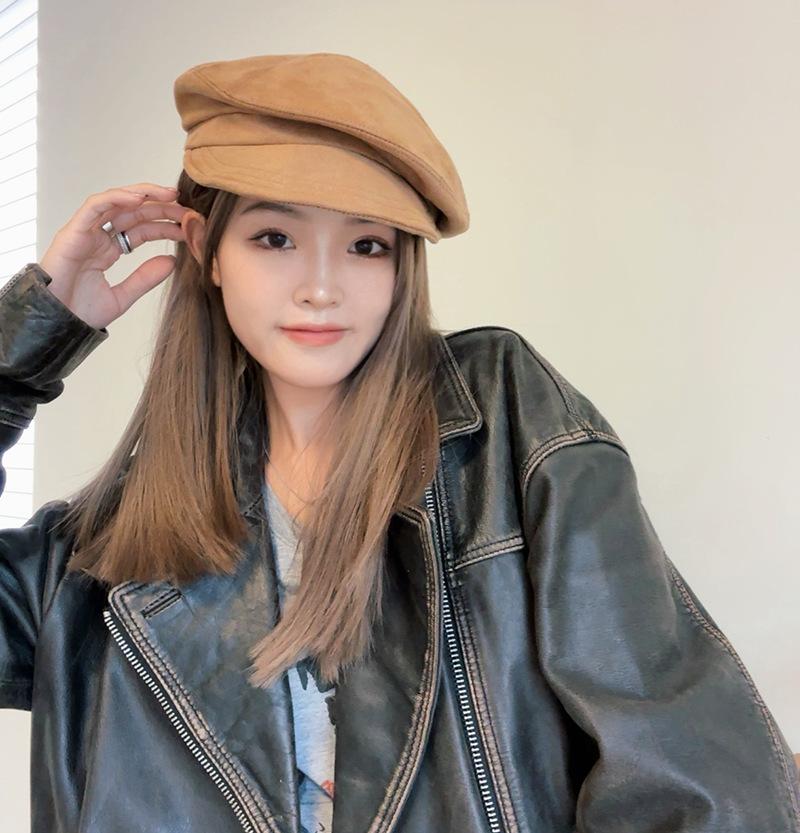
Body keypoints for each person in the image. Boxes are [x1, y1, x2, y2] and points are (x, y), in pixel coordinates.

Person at [0, 52, 798, 833]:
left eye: (365, 244)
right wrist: (21, 353)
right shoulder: (96, 561)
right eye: (275, 237)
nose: (321, 286)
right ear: (205, 249)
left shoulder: (500, 423)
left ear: (401, 263)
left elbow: (692, 779)